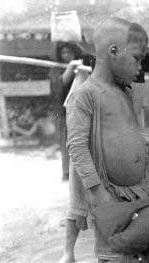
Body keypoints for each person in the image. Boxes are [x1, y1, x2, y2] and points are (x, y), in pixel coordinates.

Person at [53, 17, 149, 263]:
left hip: (138, 191)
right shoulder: (86, 95)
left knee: (145, 252)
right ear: (113, 52)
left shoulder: (125, 92)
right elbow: (77, 146)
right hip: (109, 194)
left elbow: (133, 135)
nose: (140, 67)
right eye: (137, 58)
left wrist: (148, 175)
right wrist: (97, 191)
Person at [49, 41, 86, 181]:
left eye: (69, 52)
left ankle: (82, 172)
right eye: (64, 52)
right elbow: (61, 84)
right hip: (63, 111)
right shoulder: (55, 69)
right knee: (66, 142)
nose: (66, 55)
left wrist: (78, 67)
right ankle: (67, 172)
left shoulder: (82, 65)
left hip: (80, 110)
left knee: (82, 141)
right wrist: (71, 68)